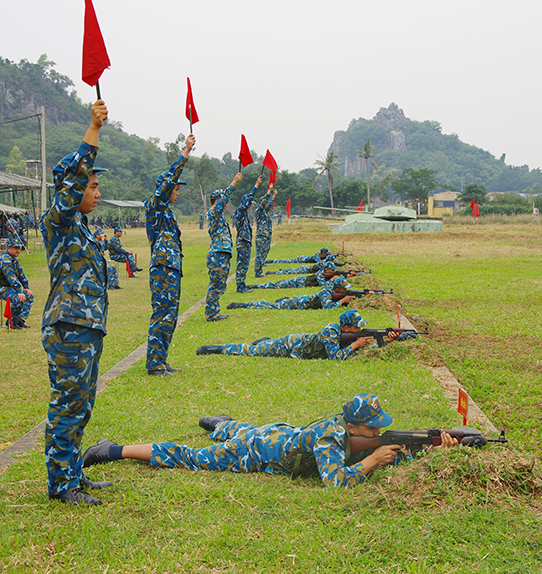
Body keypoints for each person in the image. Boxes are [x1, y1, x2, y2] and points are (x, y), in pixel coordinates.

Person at [81, 393, 458, 489]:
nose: (377, 434)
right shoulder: (331, 439)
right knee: (191, 456)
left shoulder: (352, 432)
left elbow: (389, 450)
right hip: (255, 453)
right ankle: (112, 449)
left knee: (242, 428)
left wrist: (432, 449)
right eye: (372, 430)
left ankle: (218, 423)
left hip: (278, 433)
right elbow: (336, 482)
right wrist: (373, 461)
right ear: (353, 427)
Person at [41, 99, 111, 506]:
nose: (96, 192)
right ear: (72, 187)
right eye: (92, 185)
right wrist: (93, 130)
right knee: (68, 406)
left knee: (82, 406)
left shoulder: (81, 230)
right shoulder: (59, 220)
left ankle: (73, 474)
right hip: (68, 328)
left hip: (86, 328)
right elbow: (72, 183)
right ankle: (61, 485)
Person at [144, 134, 196, 376]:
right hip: (162, 270)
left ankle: (161, 359)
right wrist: (185, 153)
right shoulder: (154, 207)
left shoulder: (170, 215)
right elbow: (166, 187)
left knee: (170, 315)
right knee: (162, 313)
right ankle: (153, 363)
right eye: (175, 188)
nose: (177, 192)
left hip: (172, 270)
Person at [196, 309, 399, 359]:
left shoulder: (345, 332)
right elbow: (336, 357)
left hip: (299, 343)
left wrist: (386, 342)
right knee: (252, 351)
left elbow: (365, 348)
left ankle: (265, 342)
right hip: (291, 346)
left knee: (262, 345)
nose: (360, 331)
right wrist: (355, 345)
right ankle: (217, 348)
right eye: (357, 328)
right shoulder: (331, 332)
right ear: (346, 328)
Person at [204, 172, 242, 322]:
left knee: (220, 284)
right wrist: (234, 182)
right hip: (217, 254)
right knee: (216, 284)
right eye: (223, 202)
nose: (226, 204)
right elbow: (224, 198)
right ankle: (211, 314)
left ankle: (214, 311)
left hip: (222, 253)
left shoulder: (219, 216)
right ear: (217, 201)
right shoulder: (213, 213)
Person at [227, 276, 356, 311]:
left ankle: (284, 299)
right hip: (298, 303)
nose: (346, 291)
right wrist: (342, 301)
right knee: (270, 306)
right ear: (337, 290)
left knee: (281, 302)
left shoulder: (331, 290)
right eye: (344, 289)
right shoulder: (326, 292)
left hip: (301, 299)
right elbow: (328, 307)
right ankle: (242, 305)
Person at [0, 238, 34, 329]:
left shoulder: (14, 259)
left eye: (19, 248)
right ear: (9, 248)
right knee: (18, 298)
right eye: (15, 248)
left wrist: (26, 287)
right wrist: (19, 290)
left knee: (29, 296)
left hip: (9, 288)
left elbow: (21, 275)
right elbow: (11, 277)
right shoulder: (5, 259)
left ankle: (20, 320)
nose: (18, 250)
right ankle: (12, 322)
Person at [232, 174, 263, 293]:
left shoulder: (244, 213)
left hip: (246, 242)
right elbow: (248, 198)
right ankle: (240, 287)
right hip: (242, 242)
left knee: (244, 265)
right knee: (242, 265)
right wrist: (256, 185)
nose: (250, 206)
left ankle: (242, 284)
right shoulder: (240, 210)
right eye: (249, 203)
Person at [252, 185, 277, 278]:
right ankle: (258, 272)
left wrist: (273, 196)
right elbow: (265, 202)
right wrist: (269, 190)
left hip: (266, 235)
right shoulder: (259, 211)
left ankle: (261, 266)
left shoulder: (265, 212)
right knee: (259, 254)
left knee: (265, 251)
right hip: (261, 236)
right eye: (264, 203)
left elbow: (269, 203)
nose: (266, 204)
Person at [265, 246, 334, 265]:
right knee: (288, 261)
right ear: (323, 253)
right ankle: (272, 261)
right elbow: (320, 263)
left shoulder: (320, 255)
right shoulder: (317, 256)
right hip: (302, 259)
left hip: (303, 258)